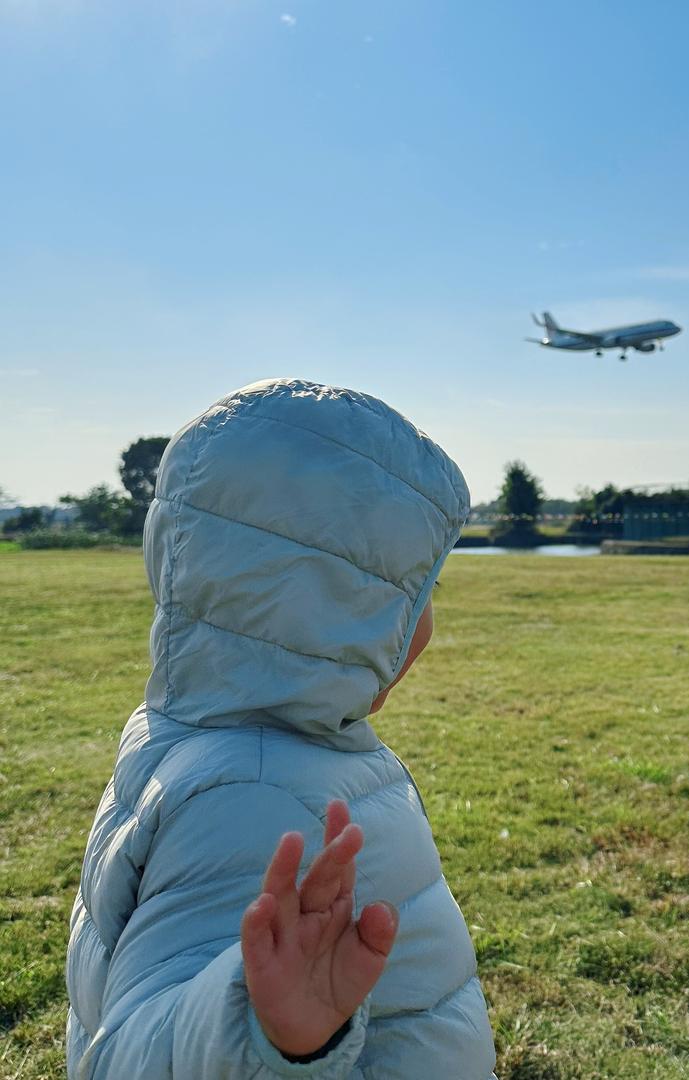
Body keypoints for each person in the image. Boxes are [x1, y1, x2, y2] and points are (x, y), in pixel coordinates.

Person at [65, 378, 497, 1078]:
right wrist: (261, 1030)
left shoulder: (212, 738)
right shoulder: (259, 795)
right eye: (421, 593)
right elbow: (130, 1056)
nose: (429, 627)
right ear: (340, 602)